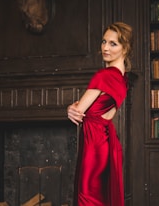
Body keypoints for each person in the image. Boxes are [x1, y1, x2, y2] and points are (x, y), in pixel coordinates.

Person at [67, 22, 133, 206]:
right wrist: (75, 108)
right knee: (98, 198)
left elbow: (79, 111)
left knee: (87, 196)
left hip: (93, 142)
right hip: (104, 141)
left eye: (113, 44)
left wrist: (70, 109)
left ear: (125, 48)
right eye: (104, 41)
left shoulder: (104, 76)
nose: (105, 47)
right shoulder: (122, 79)